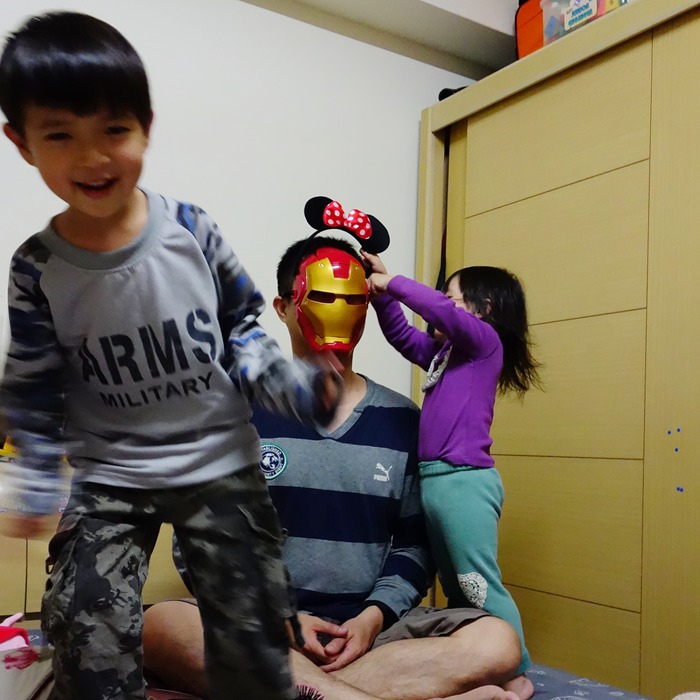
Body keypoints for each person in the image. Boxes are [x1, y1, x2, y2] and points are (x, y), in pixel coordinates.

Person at [0, 12, 341, 700]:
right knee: (85, 631)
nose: (93, 158)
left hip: (216, 460)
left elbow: (242, 329)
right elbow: (32, 389)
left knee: (254, 640)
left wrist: (292, 385)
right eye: (61, 135)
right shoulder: (36, 269)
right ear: (21, 143)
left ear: (146, 126)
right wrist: (34, 475)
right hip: (109, 473)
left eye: (114, 131)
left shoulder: (191, 231)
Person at [143, 235, 525, 700]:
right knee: (162, 624)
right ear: (283, 307)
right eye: (323, 296)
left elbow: (414, 546)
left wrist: (373, 618)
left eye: (354, 298)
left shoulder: (406, 421)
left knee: (497, 641)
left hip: (373, 637)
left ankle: (306, 691)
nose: (338, 310)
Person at [363, 252, 541, 700]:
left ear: (484, 309)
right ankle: (479, 658)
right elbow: (402, 336)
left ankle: (516, 669)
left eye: (452, 296)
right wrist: (380, 296)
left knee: (478, 583)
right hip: (437, 480)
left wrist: (394, 282)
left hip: (464, 481)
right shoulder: (445, 355)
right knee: (456, 587)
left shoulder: (484, 345)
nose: (442, 303)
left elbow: (439, 312)